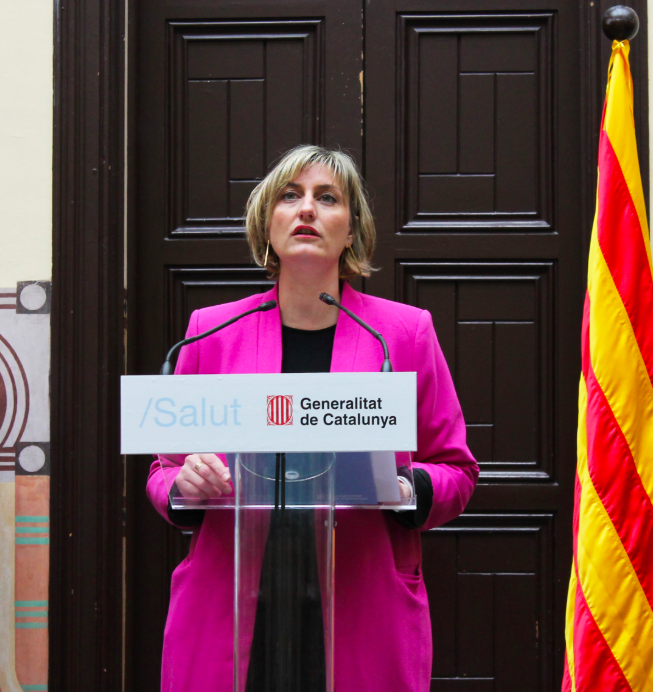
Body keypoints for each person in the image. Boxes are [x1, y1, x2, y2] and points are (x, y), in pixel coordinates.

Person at [146, 145, 478, 691]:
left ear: (351, 231)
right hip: (230, 602)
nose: (307, 210)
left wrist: (404, 486)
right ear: (267, 223)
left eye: (327, 198)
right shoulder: (210, 331)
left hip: (362, 601)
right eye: (290, 196)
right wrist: (185, 482)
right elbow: (164, 472)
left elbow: (456, 470)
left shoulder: (403, 334)